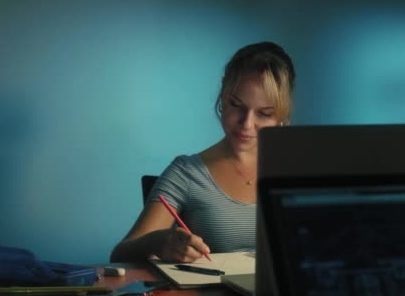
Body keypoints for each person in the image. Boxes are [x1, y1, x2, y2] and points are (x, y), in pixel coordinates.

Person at [110, 42, 295, 262]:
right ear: (223, 98)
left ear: (282, 116)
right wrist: (159, 243)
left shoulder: (300, 171)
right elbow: (119, 254)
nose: (246, 124)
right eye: (236, 105)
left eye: (264, 113)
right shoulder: (187, 173)